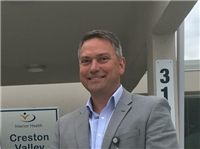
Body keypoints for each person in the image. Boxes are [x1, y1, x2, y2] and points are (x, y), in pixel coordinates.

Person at [51, 30, 179, 149]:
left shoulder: (151, 110)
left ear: (121, 65)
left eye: (103, 59)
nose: (94, 68)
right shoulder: (63, 127)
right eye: (86, 61)